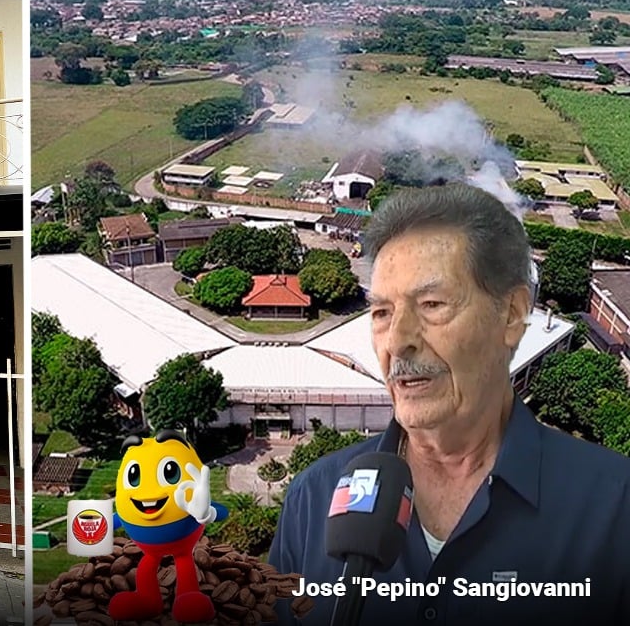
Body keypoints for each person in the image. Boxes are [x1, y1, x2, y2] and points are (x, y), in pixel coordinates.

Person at [267, 184, 630, 626]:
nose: (397, 340)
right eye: (381, 312)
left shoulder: (615, 509)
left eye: (432, 304)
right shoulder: (312, 499)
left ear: (512, 314)